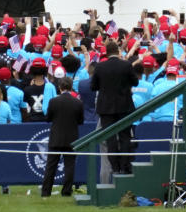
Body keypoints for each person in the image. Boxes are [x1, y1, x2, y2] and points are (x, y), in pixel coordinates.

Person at [90, 39, 139, 175]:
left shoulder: (100, 67)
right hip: (124, 106)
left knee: (110, 138)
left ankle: (115, 167)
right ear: (118, 52)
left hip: (106, 108)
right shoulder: (126, 65)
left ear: (106, 53)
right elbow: (135, 82)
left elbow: (93, 86)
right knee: (124, 137)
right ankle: (124, 166)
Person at [42, 77, 85, 197]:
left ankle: (46, 191)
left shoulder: (53, 101)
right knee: (69, 166)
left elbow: (48, 118)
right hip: (71, 138)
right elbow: (80, 121)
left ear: (59, 87)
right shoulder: (78, 102)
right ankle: (66, 191)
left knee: (51, 166)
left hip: (56, 137)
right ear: (71, 87)